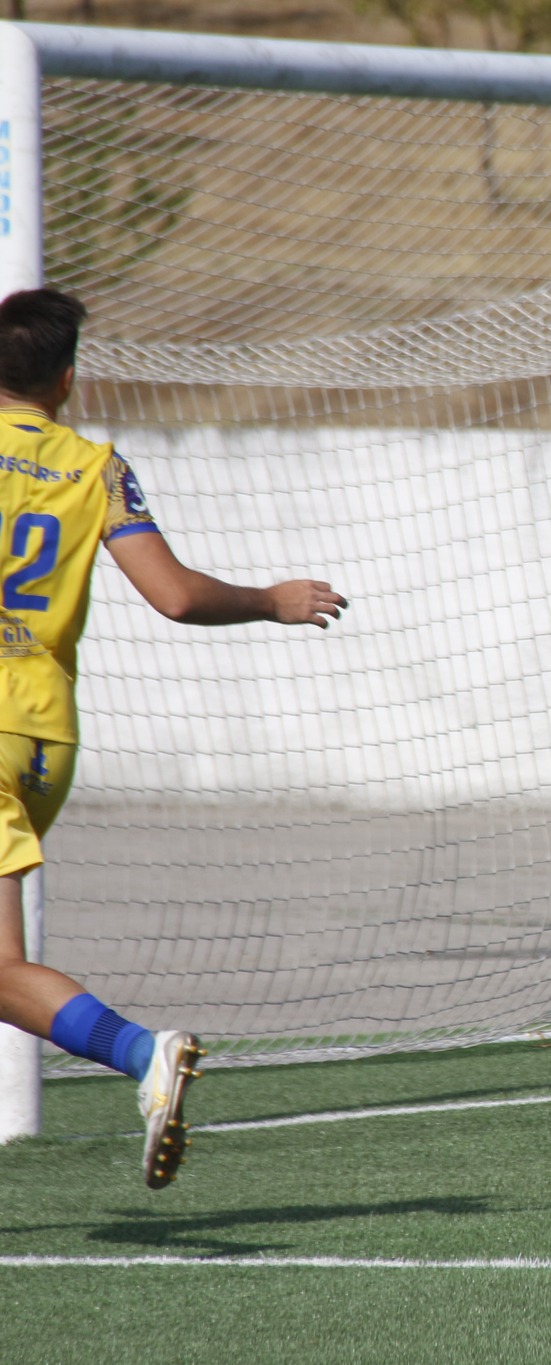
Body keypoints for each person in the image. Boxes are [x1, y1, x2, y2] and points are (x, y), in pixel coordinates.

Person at [0, 288, 346, 1186]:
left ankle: (144, 1053)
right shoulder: (95, 466)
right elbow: (177, 595)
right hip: (40, 737)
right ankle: (141, 1055)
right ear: (68, 379)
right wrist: (273, 599)